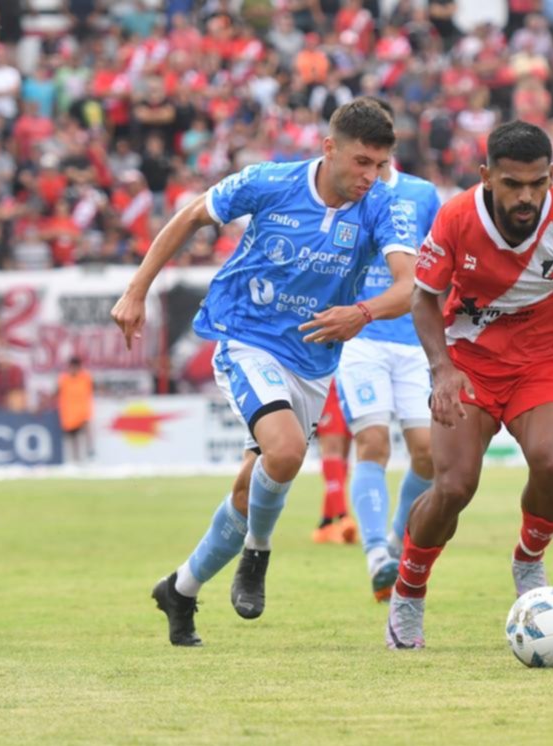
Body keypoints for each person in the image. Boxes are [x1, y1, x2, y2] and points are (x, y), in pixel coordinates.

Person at [110, 99, 417, 646]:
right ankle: (258, 554)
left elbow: (406, 286)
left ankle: (179, 589)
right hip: (245, 336)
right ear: (329, 149)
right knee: (285, 451)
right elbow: (189, 216)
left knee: (250, 488)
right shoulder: (268, 183)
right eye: (362, 162)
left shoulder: (382, 205)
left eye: (380, 165)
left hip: (313, 360)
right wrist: (137, 289)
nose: (371, 176)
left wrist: (363, 312)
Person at [384, 121, 553, 649]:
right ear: (487, 176)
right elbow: (424, 297)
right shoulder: (456, 219)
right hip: (469, 362)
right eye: (513, 184)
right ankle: (408, 593)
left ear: (552, 176)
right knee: (452, 488)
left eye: (538, 183)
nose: (527, 196)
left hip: (544, 359)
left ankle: (529, 559)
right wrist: (442, 369)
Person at [335, 138, 441, 602]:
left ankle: (397, 539)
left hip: (414, 342)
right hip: (362, 338)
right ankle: (377, 554)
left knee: (428, 454)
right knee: (372, 442)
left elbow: (440, 264)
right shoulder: (344, 193)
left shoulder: (421, 195)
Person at [310, 383, 358, 545]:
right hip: (329, 386)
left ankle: (326, 524)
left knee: (343, 458)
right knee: (332, 451)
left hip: (352, 385)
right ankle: (343, 516)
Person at [56, 356, 94, 462]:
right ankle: (76, 460)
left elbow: (94, 389)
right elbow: (57, 393)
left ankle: (91, 452)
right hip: (69, 414)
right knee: (73, 439)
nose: (73, 370)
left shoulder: (86, 378)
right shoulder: (63, 379)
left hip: (82, 412)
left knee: (87, 429)